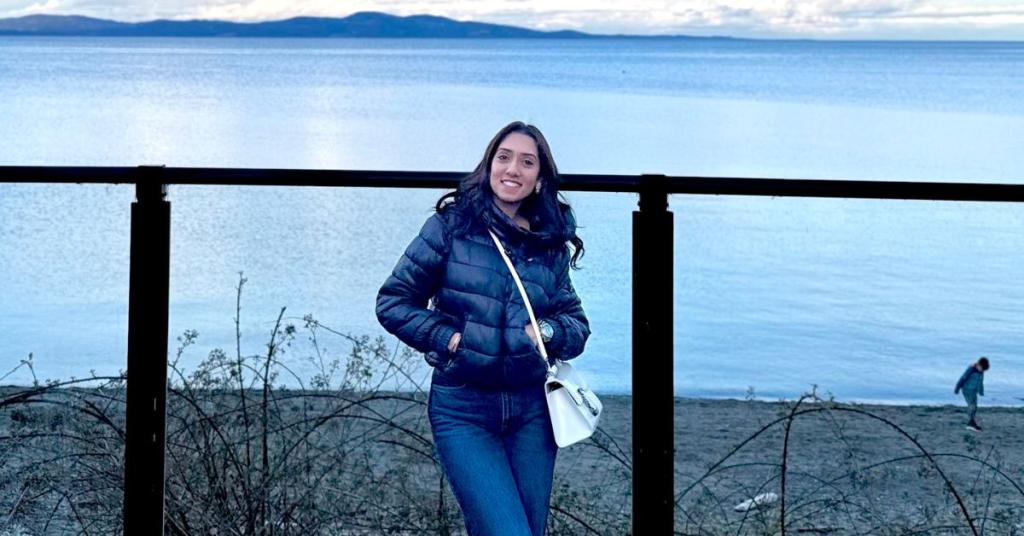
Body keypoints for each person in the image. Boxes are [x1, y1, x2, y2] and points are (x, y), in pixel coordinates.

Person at [376, 121, 590, 536]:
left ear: (539, 178)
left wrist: (545, 333)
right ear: (489, 165)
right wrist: (450, 338)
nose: (513, 169)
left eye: (527, 162)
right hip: (463, 410)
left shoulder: (548, 243)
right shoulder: (451, 227)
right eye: (504, 158)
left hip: (533, 412)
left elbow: (576, 325)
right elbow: (393, 302)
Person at [954, 357, 990, 432]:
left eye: (983, 370)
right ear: (979, 365)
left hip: (974, 391)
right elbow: (963, 378)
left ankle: (972, 421)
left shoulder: (981, 372)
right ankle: (970, 423)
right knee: (972, 405)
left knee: (975, 406)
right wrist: (957, 388)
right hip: (967, 390)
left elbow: (980, 382)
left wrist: (981, 391)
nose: (982, 371)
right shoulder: (971, 370)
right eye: (982, 369)